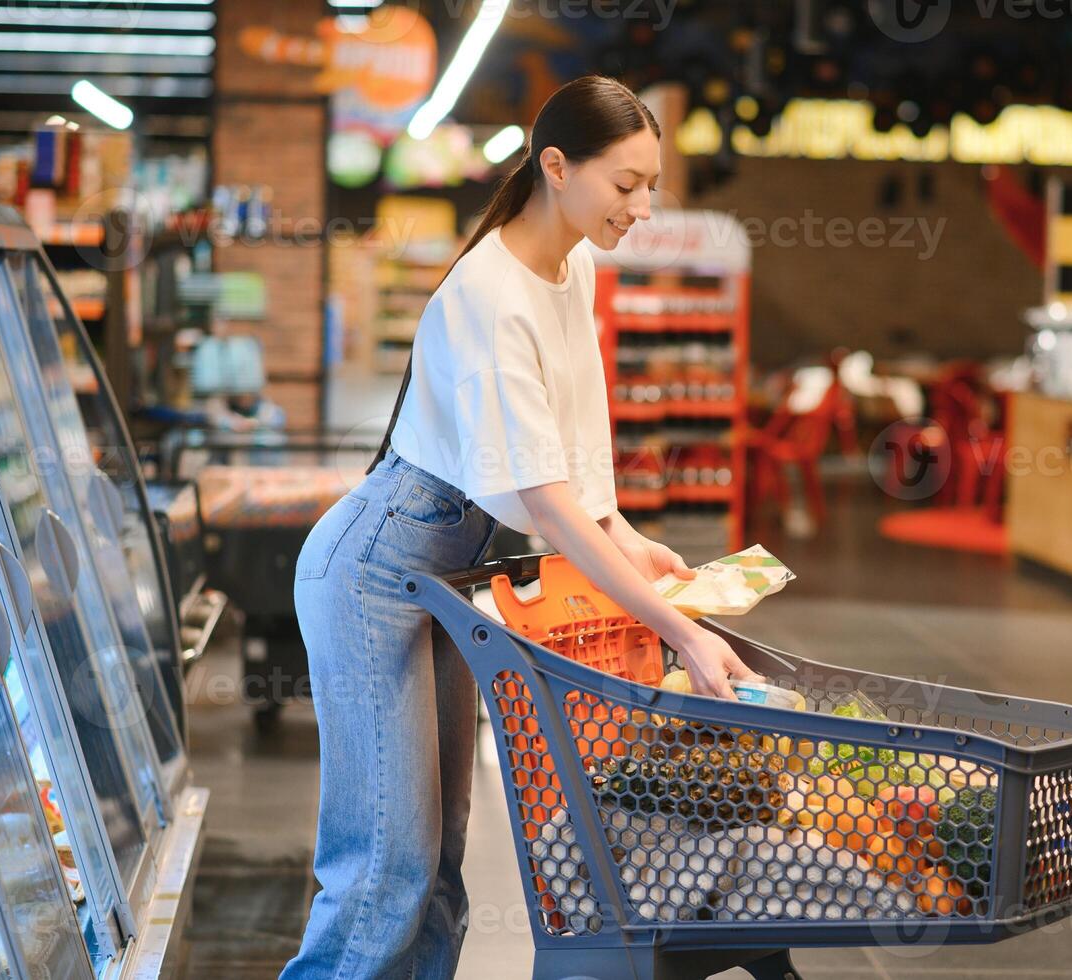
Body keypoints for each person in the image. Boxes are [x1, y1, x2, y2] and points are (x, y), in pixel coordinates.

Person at [283, 76, 758, 979]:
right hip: (374, 573)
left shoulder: (569, 263)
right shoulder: (489, 296)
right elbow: (544, 503)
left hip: (453, 576)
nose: (645, 207)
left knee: (440, 858)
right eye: (626, 185)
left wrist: (627, 533)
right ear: (556, 166)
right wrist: (680, 633)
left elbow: (576, 442)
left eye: (650, 183)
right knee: (385, 867)